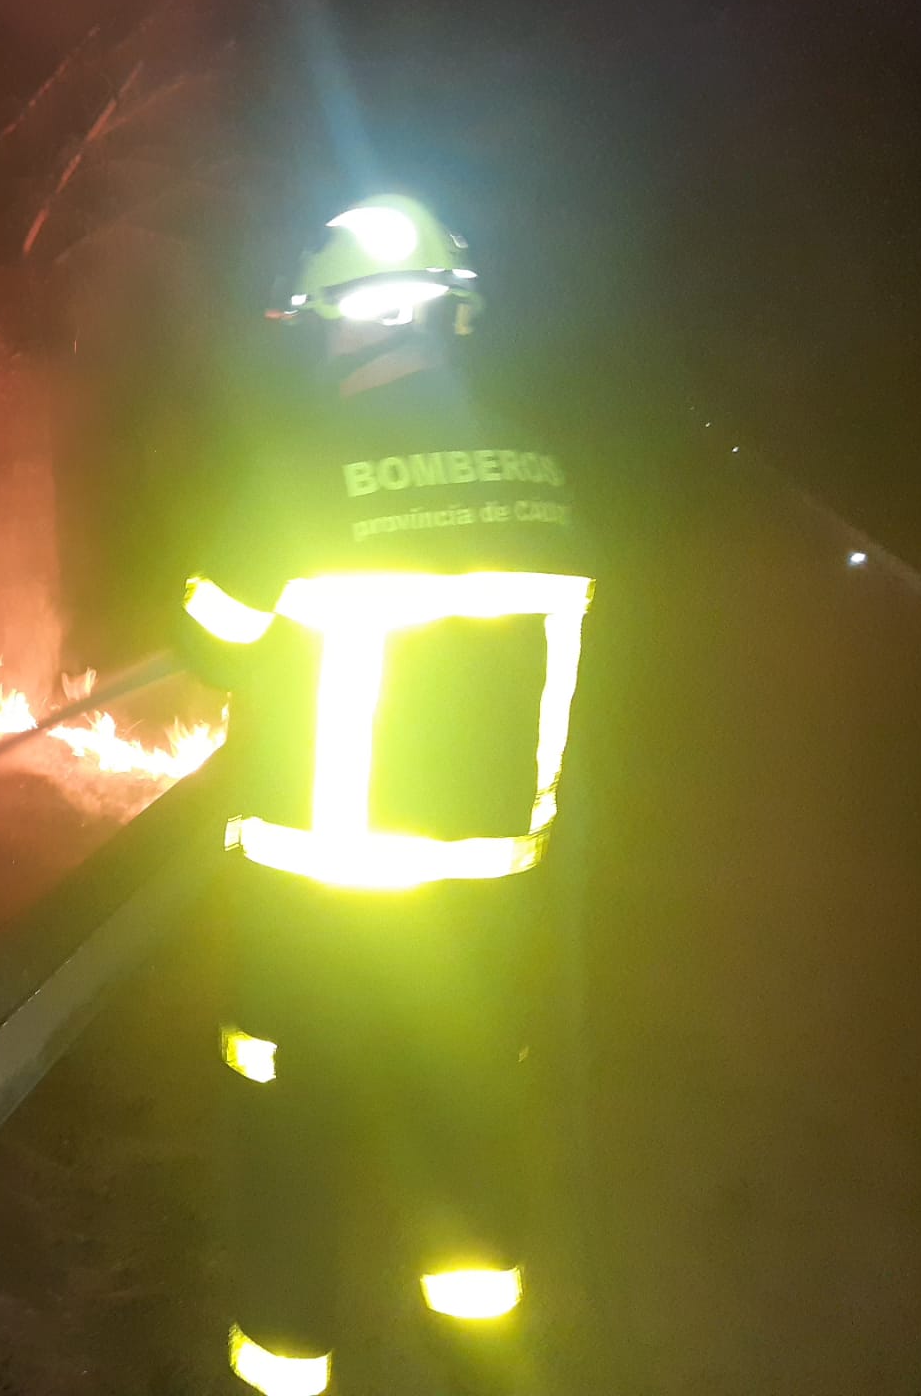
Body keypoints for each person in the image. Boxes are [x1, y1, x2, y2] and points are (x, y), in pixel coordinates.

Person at [181, 196, 594, 1396]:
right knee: (468, 1149)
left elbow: (209, 635)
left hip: (321, 906)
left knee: (293, 1160)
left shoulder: (302, 476)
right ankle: (483, 1369)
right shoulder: (538, 470)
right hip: (486, 896)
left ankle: (288, 1372)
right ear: (451, 312)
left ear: (327, 324)